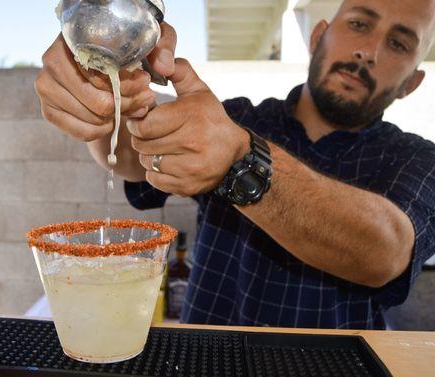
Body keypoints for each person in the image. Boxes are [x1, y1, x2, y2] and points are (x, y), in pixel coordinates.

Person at [34, 0, 435, 329]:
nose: (370, 51)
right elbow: (130, 160)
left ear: (411, 84)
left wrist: (242, 161)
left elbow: (384, 253)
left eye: (399, 44)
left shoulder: (418, 160)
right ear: (318, 37)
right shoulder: (238, 118)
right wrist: (104, 87)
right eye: (360, 24)